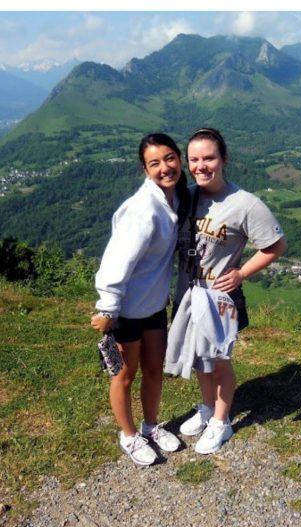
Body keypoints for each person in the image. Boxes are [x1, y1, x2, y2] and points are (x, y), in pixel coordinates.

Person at [171, 127, 286, 454]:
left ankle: (221, 422)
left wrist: (240, 273)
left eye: (209, 157)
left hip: (219, 298)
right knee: (198, 358)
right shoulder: (188, 196)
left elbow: (276, 246)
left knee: (219, 361)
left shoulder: (244, 204)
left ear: (224, 159)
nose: (201, 165)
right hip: (189, 294)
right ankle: (208, 409)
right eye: (194, 159)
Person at [90, 133, 188, 466]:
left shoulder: (174, 200)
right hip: (128, 311)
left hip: (154, 306)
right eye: (154, 163)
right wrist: (107, 306)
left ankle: (151, 425)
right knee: (125, 375)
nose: (165, 167)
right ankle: (129, 436)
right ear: (144, 169)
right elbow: (117, 260)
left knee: (155, 371)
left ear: (179, 157)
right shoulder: (143, 210)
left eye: (170, 158)